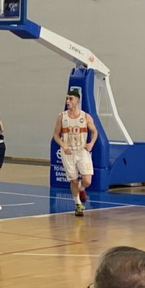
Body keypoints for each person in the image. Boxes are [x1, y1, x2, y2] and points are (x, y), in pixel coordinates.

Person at [52, 89, 98, 217]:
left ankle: (81, 189)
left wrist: (91, 143)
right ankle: (78, 205)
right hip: (68, 152)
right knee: (73, 181)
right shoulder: (62, 116)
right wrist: (63, 145)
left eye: (70, 99)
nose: (68, 101)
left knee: (87, 181)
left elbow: (94, 132)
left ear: (77, 100)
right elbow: (56, 135)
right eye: (67, 99)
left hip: (82, 151)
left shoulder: (85, 116)